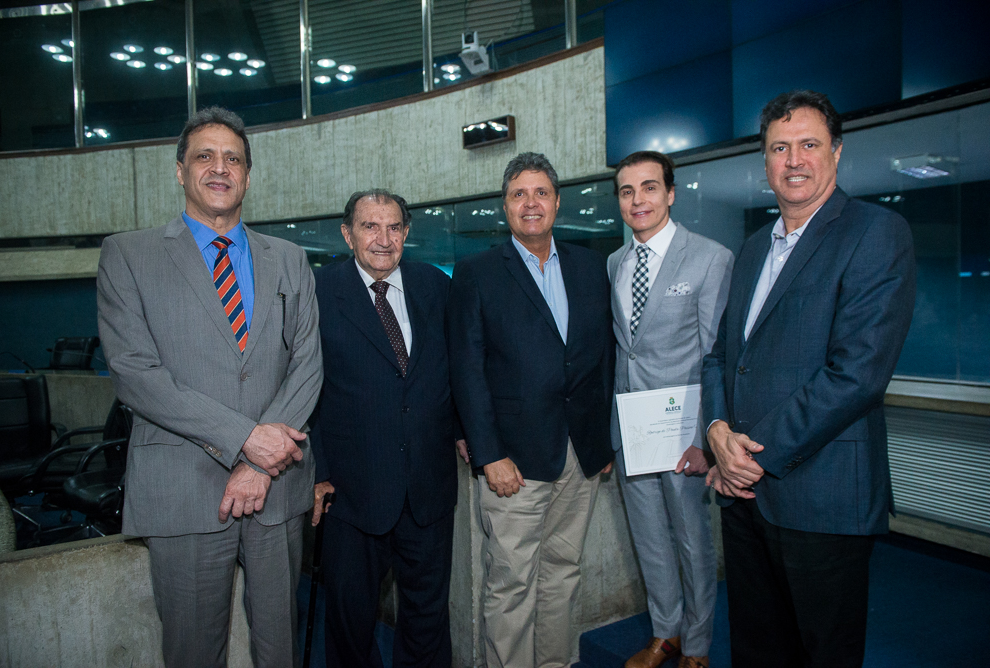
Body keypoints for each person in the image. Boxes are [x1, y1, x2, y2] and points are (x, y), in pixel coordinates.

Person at [96, 106, 323, 668]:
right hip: (184, 489)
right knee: (193, 651)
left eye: (233, 159)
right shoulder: (129, 255)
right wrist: (246, 439)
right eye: (205, 156)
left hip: (278, 489)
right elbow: (134, 373)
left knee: (280, 650)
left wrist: (259, 462)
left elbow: (308, 364)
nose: (220, 168)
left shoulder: (290, 259)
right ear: (180, 170)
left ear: (248, 175)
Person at [701, 90, 917, 667]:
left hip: (823, 495)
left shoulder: (876, 232)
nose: (794, 160)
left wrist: (750, 454)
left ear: (837, 154)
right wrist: (718, 431)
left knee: (823, 654)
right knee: (757, 648)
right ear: (765, 162)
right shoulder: (751, 249)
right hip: (744, 493)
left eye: (808, 145)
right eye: (779, 147)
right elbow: (721, 357)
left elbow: (857, 375)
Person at [448, 152, 615, 668]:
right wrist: (487, 453)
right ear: (505, 206)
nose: (531, 203)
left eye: (541, 192)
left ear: (558, 202)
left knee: (563, 570)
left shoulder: (590, 267)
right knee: (512, 580)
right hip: (513, 462)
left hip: (579, 455)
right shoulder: (477, 273)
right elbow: (466, 371)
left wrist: (602, 442)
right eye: (519, 194)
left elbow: (602, 360)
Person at [309, 189, 464, 668]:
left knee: (427, 618)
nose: (383, 238)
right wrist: (315, 470)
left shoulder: (434, 286)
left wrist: (464, 429)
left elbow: (455, 370)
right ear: (347, 233)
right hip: (350, 494)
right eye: (370, 227)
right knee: (351, 624)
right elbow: (300, 387)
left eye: (394, 227)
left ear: (407, 233)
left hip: (428, 488)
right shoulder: (317, 293)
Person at [608, 151, 733, 668]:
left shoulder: (710, 257)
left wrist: (708, 439)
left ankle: (698, 648)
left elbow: (715, 356)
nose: (638, 200)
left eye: (649, 188)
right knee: (650, 541)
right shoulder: (615, 263)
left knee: (692, 543)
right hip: (632, 432)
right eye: (627, 191)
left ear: (671, 193)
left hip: (684, 433)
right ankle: (667, 632)